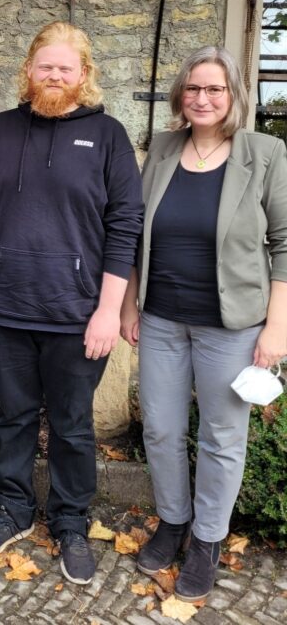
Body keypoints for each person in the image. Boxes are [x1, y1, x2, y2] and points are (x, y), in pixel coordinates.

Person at [0, 21, 143, 585]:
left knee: (71, 425)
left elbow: (125, 227)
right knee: (13, 418)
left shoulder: (108, 136)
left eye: (66, 67)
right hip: (7, 310)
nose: (55, 76)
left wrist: (109, 309)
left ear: (83, 74)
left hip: (79, 315)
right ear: (29, 69)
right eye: (46, 66)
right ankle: (14, 511)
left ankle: (69, 523)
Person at [119, 46, 287, 601]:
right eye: (193, 88)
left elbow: (285, 245)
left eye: (214, 89)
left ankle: (208, 539)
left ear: (234, 95)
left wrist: (277, 328)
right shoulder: (164, 148)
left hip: (232, 325)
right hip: (163, 319)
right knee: (161, 430)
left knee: (221, 437)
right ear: (180, 95)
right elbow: (138, 230)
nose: (203, 98)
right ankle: (173, 522)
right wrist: (128, 305)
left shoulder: (264, 153)